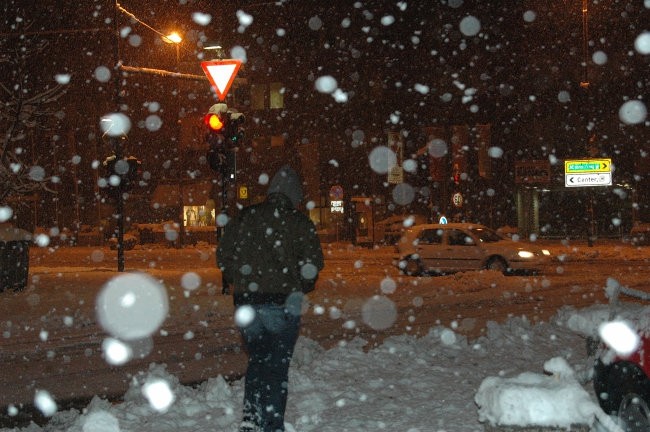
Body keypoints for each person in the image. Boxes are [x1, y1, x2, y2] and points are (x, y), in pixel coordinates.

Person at [217, 165, 324, 432]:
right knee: (277, 368)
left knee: (258, 361)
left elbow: (224, 256)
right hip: (283, 303)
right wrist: (302, 285)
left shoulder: (245, 217)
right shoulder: (299, 222)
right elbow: (313, 264)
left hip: (247, 304)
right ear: (293, 195)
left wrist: (239, 281)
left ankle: (251, 420)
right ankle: (272, 425)